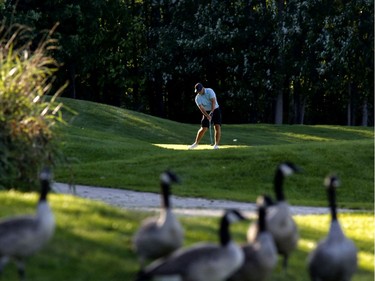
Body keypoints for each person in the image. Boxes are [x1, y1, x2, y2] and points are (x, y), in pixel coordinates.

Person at [189, 82, 222, 150]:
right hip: (206, 111)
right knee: (204, 128)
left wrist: (212, 112)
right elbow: (201, 108)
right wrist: (207, 115)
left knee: (217, 126)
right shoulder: (197, 98)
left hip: (215, 109)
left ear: (203, 88)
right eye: (197, 91)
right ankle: (196, 143)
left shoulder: (210, 91)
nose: (199, 92)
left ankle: (216, 145)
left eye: (199, 90)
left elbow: (213, 101)